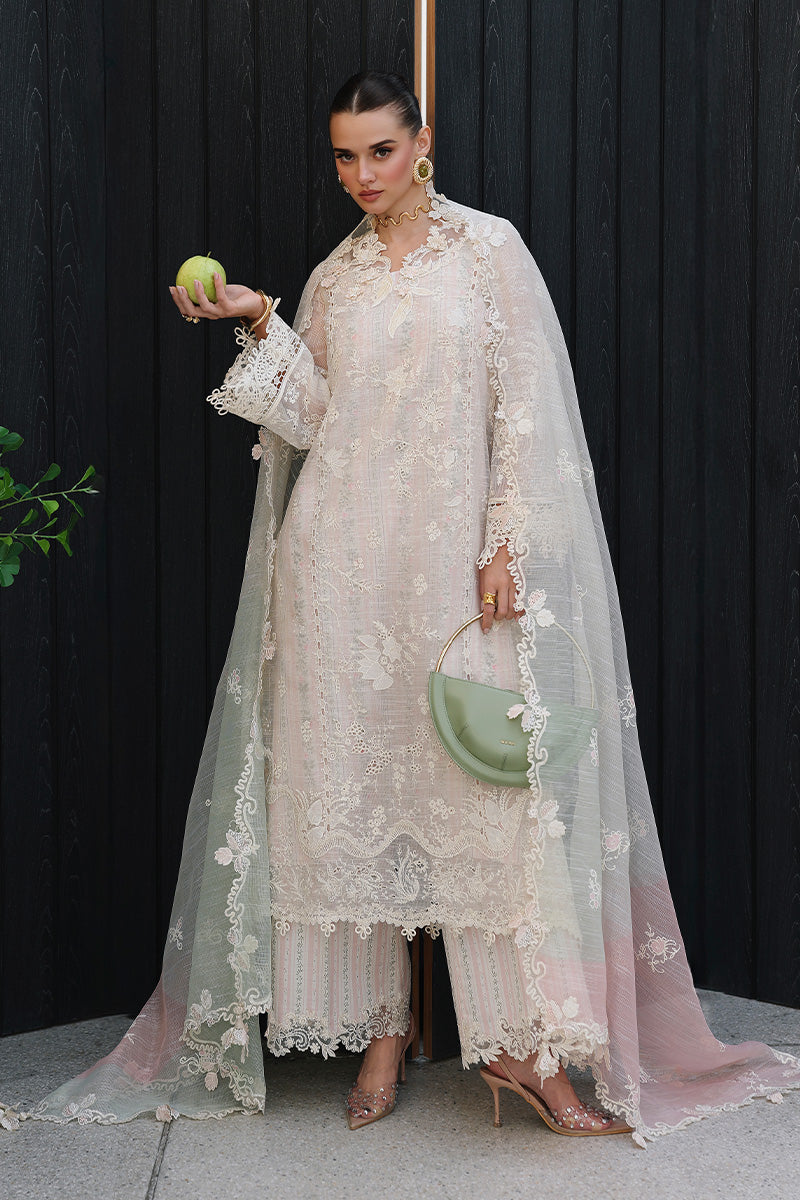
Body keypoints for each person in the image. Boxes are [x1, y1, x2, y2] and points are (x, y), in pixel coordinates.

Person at [2, 69, 798, 1145]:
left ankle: (519, 1047)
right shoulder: (333, 277)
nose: (362, 174)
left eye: (380, 150)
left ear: (423, 141)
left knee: (485, 801)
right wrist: (258, 320)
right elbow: (311, 418)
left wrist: (504, 543)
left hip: (453, 571)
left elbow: (524, 407)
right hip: (339, 569)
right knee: (354, 792)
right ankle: (380, 1032)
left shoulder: (488, 251)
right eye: (344, 155)